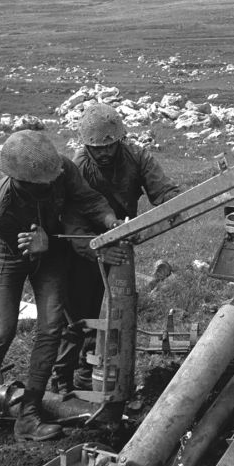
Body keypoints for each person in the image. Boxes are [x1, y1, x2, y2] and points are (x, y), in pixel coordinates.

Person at [0, 130, 119, 455]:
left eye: (49, 181)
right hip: (9, 254)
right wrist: (45, 242)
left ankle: (27, 416)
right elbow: (28, 249)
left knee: (51, 327)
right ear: (18, 179)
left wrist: (110, 220)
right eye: (38, 185)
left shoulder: (61, 169)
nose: (47, 187)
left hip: (51, 251)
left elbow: (87, 199)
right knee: (1, 333)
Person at [51, 102, 180, 394]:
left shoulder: (138, 157)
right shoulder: (79, 166)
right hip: (84, 249)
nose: (105, 152)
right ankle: (64, 379)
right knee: (78, 316)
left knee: (113, 313)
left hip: (119, 244)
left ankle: (99, 372)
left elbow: (164, 193)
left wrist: (173, 204)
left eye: (110, 146)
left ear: (121, 138)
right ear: (87, 146)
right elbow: (72, 227)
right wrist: (97, 250)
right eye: (98, 148)